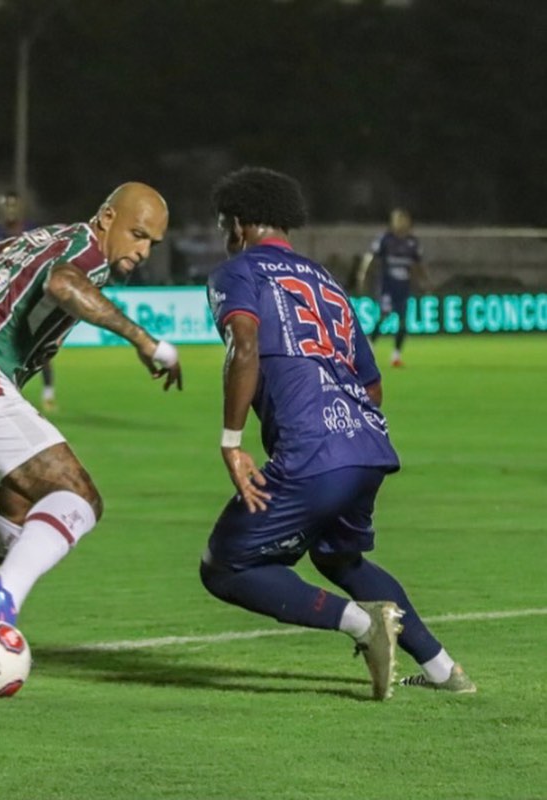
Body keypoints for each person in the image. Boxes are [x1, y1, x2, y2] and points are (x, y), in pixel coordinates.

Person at [200, 167, 473, 699]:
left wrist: (232, 442)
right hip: (367, 445)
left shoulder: (238, 272)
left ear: (238, 224)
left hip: (314, 450)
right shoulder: (325, 281)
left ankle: (362, 624)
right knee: (338, 558)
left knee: (227, 566)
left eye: (223, 226)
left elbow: (244, 345)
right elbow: (372, 384)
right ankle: (444, 672)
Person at [0, 181, 182, 667]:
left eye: (152, 242)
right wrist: (143, 340)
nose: (143, 251)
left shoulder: (41, 238)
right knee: (78, 498)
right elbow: (63, 285)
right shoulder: (86, 252)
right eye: (137, 235)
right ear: (107, 218)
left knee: (18, 506)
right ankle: (1, 600)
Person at [0, 191, 57, 411]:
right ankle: (1, 393)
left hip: (30, 298)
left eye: (13, 205)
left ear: (20, 207)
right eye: (6, 205)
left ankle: (48, 393)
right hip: (1, 300)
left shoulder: (34, 232)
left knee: (39, 347)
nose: (10, 210)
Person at [359, 208, 429, 367]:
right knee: (384, 315)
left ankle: (396, 355)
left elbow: (418, 264)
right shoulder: (385, 239)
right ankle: (369, 347)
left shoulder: (412, 242)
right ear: (393, 222)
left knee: (402, 320)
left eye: (404, 220)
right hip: (387, 286)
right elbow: (371, 258)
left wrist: (424, 282)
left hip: (403, 288)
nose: (401, 223)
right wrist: (363, 276)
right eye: (398, 220)